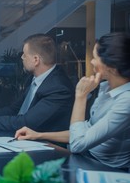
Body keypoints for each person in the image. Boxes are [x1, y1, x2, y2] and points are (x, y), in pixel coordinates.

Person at [15, 32, 130, 169]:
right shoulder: (106, 87)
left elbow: (77, 144)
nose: (91, 61)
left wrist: (80, 96)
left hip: (104, 169)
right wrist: (38, 135)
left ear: (111, 68)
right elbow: (84, 131)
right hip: (86, 157)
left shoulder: (126, 101)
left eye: (95, 57)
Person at [0, 33, 75, 132]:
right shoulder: (34, 79)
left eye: (24, 54)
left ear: (36, 60)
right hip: (25, 141)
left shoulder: (59, 88)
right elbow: (13, 110)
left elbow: (26, 122)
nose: (22, 58)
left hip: (48, 149)